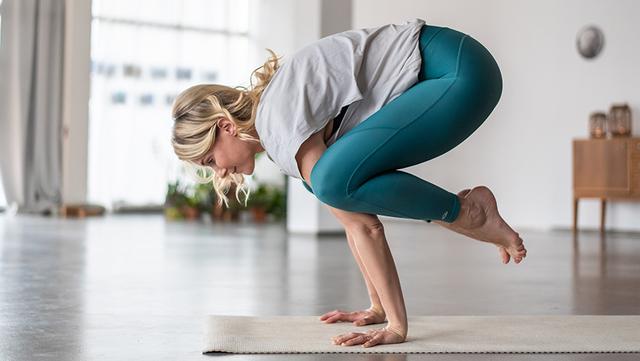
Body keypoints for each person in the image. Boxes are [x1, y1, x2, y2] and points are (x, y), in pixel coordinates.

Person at [171, 18, 528, 349]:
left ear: (225, 126)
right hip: (458, 70)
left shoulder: (276, 122)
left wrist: (397, 328)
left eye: (209, 160)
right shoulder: (281, 134)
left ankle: (468, 213)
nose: (218, 173)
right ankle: (466, 213)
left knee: (328, 180)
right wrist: (377, 308)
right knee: (327, 182)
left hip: (458, 71)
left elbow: (364, 225)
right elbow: (355, 218)